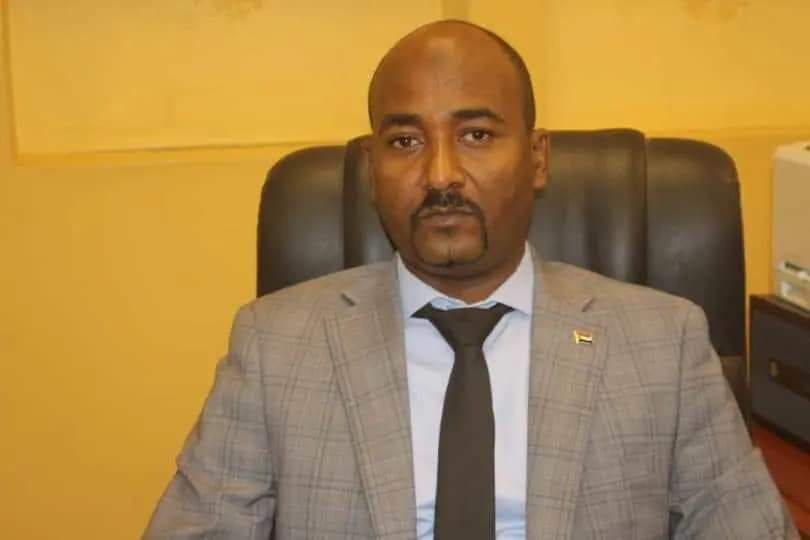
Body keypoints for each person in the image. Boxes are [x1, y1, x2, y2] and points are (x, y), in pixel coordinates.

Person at [145, 20, 798, 539]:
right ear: (371, 167)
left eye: (477, 134)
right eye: (405, 142)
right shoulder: (275, 345)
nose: (440, 174)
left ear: (537, 158)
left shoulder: (664, 342)